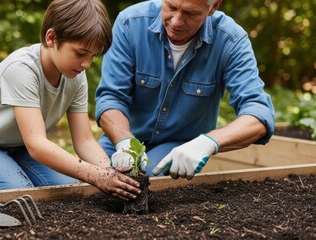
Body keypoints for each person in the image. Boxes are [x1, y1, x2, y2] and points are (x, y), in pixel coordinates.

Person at [0, 0, 141, 201]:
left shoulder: (76, 75)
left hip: (18, 146)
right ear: (52, 38)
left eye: (93, 56)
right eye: (80, 53)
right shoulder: (22, 69)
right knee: (20, 194)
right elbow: (36, 144)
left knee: (67, 189)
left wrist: (110, 172)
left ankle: (0, 171)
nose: (87, 64)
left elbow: (85, 141)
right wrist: (95, 175)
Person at [95, 0, 275, 180]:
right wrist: (125, 142)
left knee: (150, 181)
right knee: (81, 180)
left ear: (213, 7)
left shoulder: (231, 40)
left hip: (180, 148)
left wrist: (208, 142)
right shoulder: (131, 23)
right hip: (122, 140)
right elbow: (111, 97)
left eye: (190, 13)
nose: (176, 22)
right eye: (171, 7)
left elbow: (259, 113)